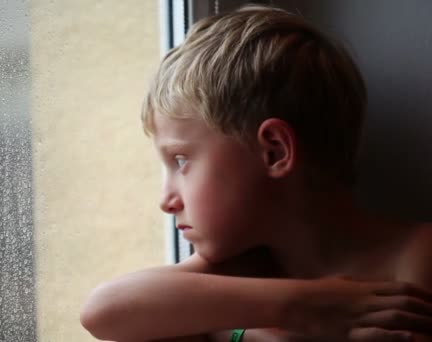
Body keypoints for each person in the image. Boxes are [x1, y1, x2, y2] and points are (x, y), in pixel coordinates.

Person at [80, 4, 432, 342]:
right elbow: (104, 311)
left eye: (181, 161)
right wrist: (306, 307)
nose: (167, 201)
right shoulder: (242, 265)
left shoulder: (415, 256)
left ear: (275, 151)